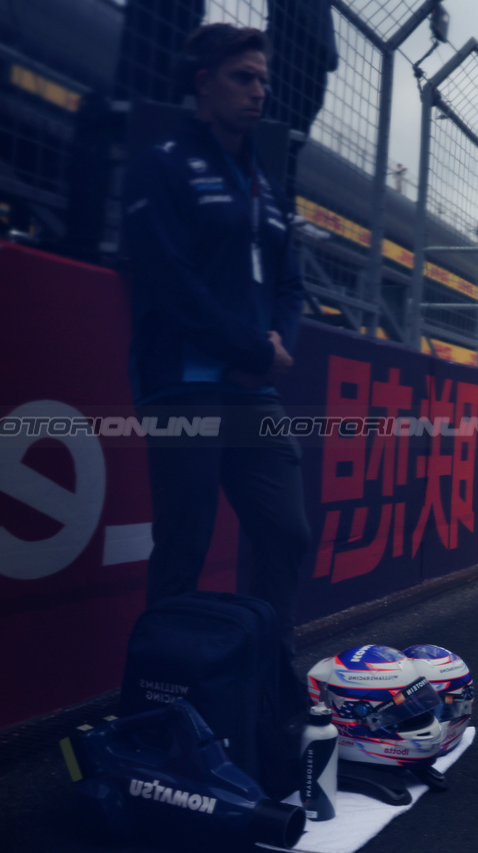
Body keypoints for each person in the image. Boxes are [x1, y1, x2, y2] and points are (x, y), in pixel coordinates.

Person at [122, 24, 310, 656]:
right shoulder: (163, 165)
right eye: (242, 78)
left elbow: (291, 284)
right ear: (203, 84)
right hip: (183, 387)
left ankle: (265, 681)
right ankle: (160, 697)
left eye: (263, 79)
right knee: (186, 541)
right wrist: (255, 353)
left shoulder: (268, 186)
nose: (258, 92)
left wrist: (275, 350)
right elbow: (168, 282)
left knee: (285, 533)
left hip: (253, 391)